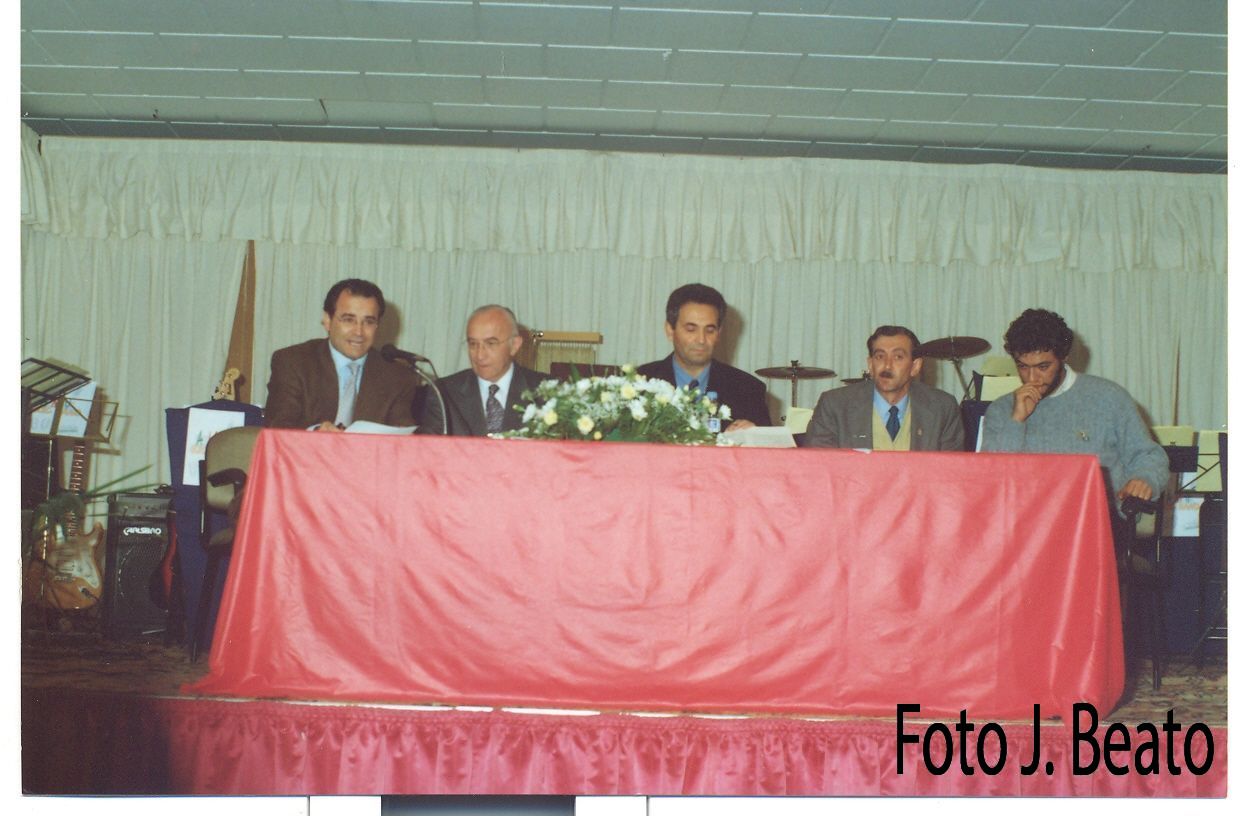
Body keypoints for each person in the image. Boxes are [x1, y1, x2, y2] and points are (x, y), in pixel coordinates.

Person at [981, 308, 1168, 508]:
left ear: (1064, 357)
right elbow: (990, 479)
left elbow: (1149, 455)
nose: (1032, 378)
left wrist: (1145, 479)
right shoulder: (1002, 410)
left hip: (1098, 522)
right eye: (1023, 367)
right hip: (1026, 525)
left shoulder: (1109, 397)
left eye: (1043, 367)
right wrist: (1016, 422)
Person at [264, 278, 418, 430]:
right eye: (348, 320)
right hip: (305, 454)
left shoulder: (397, 377)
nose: (359, 332)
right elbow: (278, 428)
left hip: (368, 455)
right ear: (327, 321)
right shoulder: (293, 363)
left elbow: (402, 438)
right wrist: (315, 434)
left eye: (369, 322)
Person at [805, 325, 963, 450]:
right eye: (880, 356)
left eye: (898, 357)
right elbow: (820, 471)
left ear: (915, 366)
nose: (887, 365)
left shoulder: (942, 408)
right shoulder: (835, 405)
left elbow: (951, 477)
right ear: (870, 365)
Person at [637, 283, 771, 429]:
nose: (701, 340)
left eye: (709, 330)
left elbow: (772, 450)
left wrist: (755, 437)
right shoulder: (639, 383)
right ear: (670, 330)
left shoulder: (748, 389)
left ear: (718, 334)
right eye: (690, 329)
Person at [420, 304, 544, 436]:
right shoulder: (444, 393)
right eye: (473, 344)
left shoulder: (546, 392)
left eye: (490, 344)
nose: (479, 355)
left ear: (514, 345)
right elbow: (428, 450)